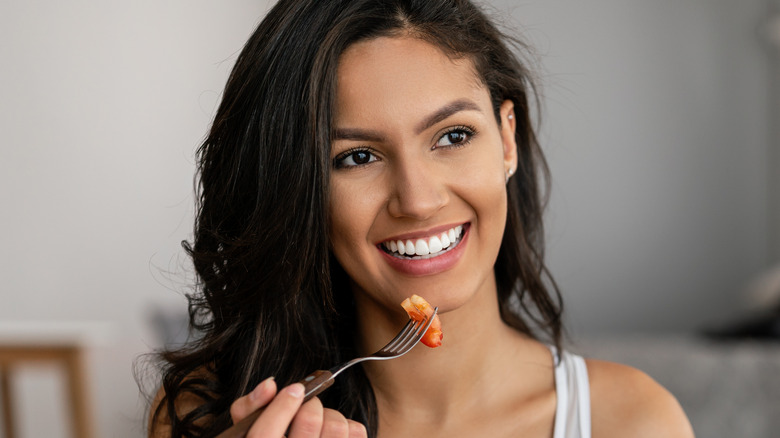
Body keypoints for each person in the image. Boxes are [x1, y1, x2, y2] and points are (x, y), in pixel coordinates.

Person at [147, 0, 695, 437]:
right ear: (299, 189)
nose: (417, 199)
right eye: (356, 157)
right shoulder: (206, 416)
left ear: (507, 139)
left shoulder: (632, 421)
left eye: (453, 136)